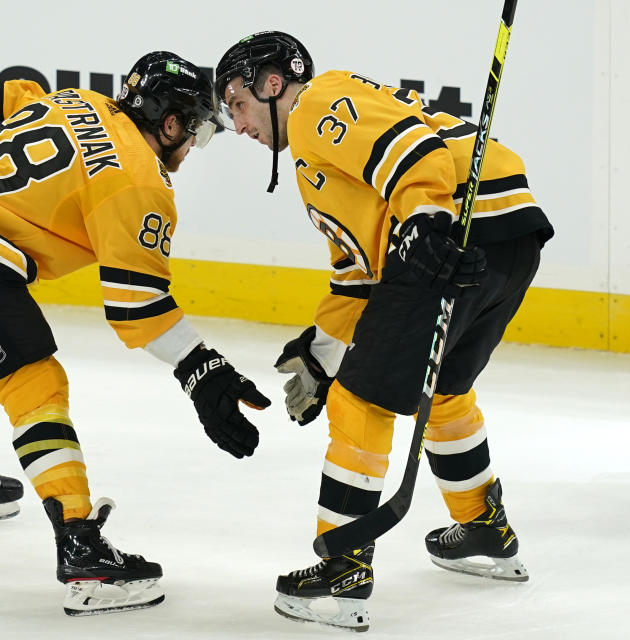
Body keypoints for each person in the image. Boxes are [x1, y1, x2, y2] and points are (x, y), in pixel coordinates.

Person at [0, 51, 271, 616]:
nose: (191, 147)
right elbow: (136, 305)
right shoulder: (138, 183)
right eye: (194, 131)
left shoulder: (75, 98)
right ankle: (82, 550)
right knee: (35, 382)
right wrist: (200, 367)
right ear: (170, 122)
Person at [215, 31, 553, 631]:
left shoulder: (318, 101)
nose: (239, 125)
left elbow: (413, 150)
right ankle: (482, 526)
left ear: (273, 85)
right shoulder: (313, 164)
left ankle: (342, 571)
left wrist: (424, 224)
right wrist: (322, 354)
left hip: (454, 230)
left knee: (361, 402)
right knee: (445, 389)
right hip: (508, 236)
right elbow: (359, 274)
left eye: (238, 103)